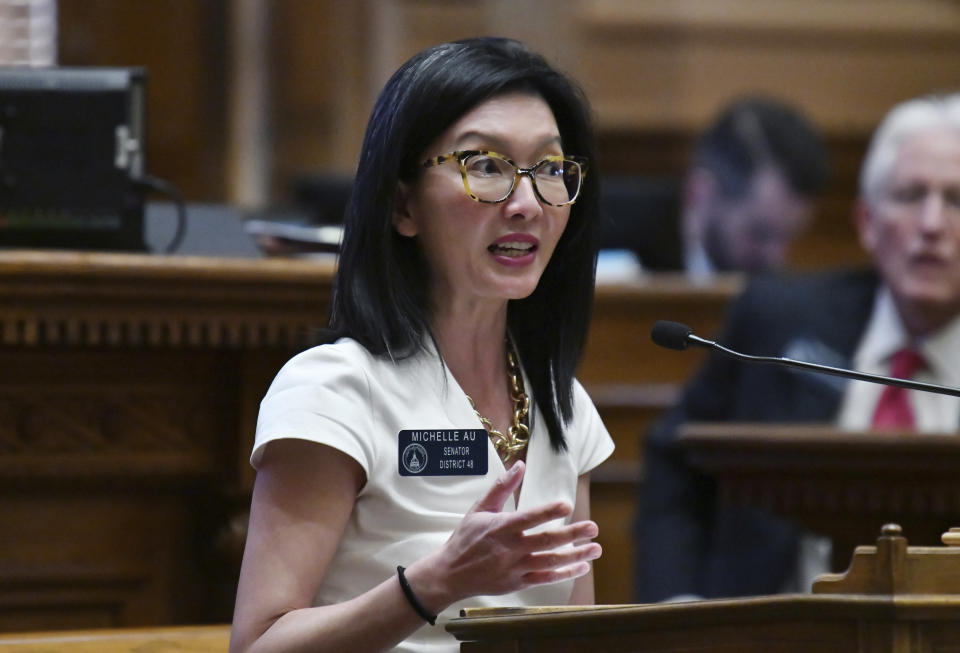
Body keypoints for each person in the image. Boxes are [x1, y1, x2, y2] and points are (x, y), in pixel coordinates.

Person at [229, 37, 615, 653]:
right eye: (486, 166)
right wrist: (434, 584)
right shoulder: (334, 392)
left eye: (548, 169)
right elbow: (258, 645)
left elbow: (575, 638)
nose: (526, 203)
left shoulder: (563, 405)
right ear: (403, 204)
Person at [634, 92, 960, 602]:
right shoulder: (777, 320)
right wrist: (678, 615)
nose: (933, 225)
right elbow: (675, 460)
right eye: (910, 195)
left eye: (956, 200)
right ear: (868, 223)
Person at [599, 96, 830, 276]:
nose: (776, 257)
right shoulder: (605, 232)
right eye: (759, 233)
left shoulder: (774, 289)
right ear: (700, 192)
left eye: (789, 237)